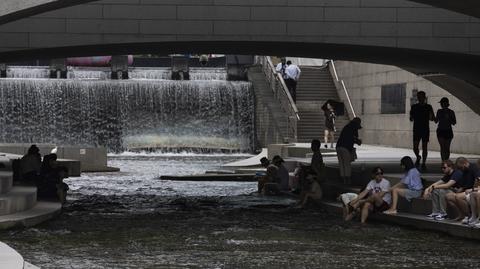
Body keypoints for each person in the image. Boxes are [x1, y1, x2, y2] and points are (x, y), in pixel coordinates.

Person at [445, 157, 480, 223]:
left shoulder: (474, 168)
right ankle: (462, 214)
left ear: (465, 164)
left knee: (458, 197)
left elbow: (477, 183)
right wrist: (459, 189)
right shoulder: (464, 171)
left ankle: (468, 216)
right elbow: (464, 185)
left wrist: (472, 189)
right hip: (466, 191)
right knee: (448, 196)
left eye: (461, 167)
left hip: (472, 190)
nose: (460, 169)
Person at [409, 91, 435, 170]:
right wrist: (411, 116)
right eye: (419, 97)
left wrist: (431, 116)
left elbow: (432, 118)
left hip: (425, 129)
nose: (421, 98)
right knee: (415, 147)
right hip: (416, 129)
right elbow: (411, 118)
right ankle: (418, 156)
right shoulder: (414, 107)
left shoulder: (428, 107)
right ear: (417, 97)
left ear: (424, 97)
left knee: (425, 147)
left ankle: (423, 163)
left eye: (422, 96)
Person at [336, 117, 362, 184]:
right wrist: (359, 142)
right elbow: (354, 139)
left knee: (342, 164)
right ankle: (347, 180)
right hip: (346, 147)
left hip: (338, 146)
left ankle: (343, 179)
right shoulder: (354, 128)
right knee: (347, 164)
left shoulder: (347, 126)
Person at [434, 97, 456, 161]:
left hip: (448, 131)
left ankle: (446, 160)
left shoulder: (451, 112)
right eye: (441, 103)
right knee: (442, 147)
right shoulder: (439, 111)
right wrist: (432, 117)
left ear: (446, 104)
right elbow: (436, 121)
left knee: (447, 148)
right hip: (440, 130)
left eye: (442, 103)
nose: (441, 105)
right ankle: (443, 161)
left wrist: (449, 118)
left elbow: (454, 122)